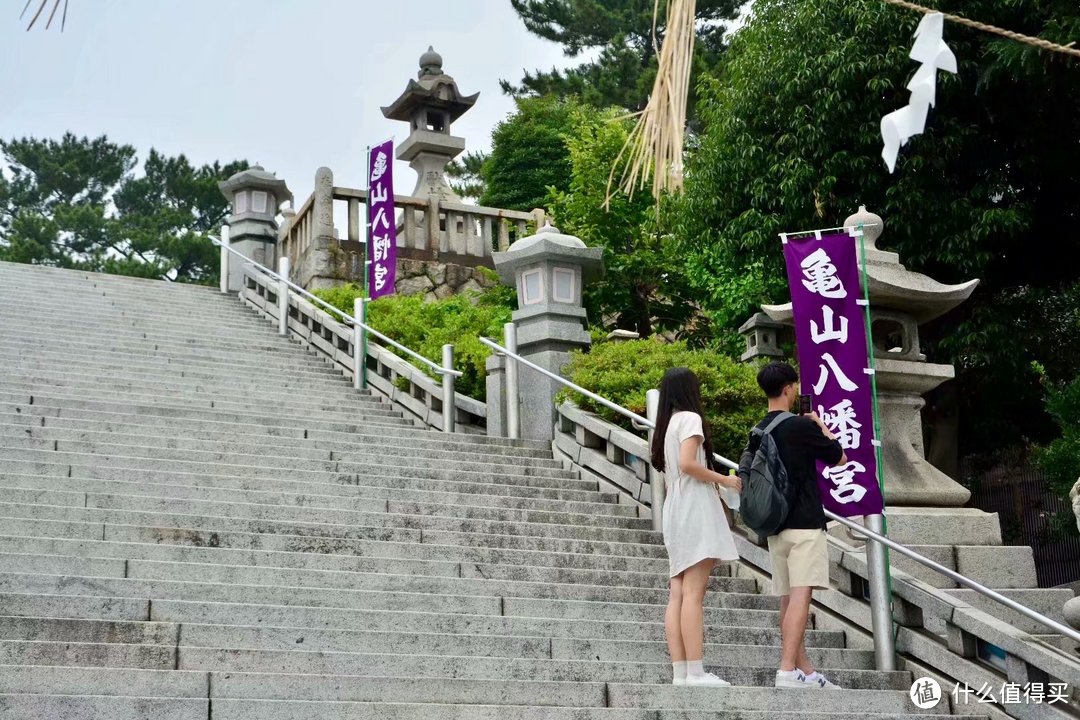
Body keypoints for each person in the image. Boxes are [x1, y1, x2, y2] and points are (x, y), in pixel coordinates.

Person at [749, 361, 847, 690]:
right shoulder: (800, 426)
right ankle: (787, 669)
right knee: (801, 598)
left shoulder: (758, 429)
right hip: (805, 522)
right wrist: (819, 424)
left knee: (788, 599)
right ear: (790, 388)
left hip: (775, 526)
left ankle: (803, 669)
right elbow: (839, 456)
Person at [649, 367, 742, 687]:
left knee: (678, 592)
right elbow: (690, 464)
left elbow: (676, 469)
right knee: (693, 594)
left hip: (675, 509)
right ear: (690, 390)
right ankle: (696, 671)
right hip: (694, 508)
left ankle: (682, 672)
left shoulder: (665, 426)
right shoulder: (689, 419)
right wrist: (725, 479)